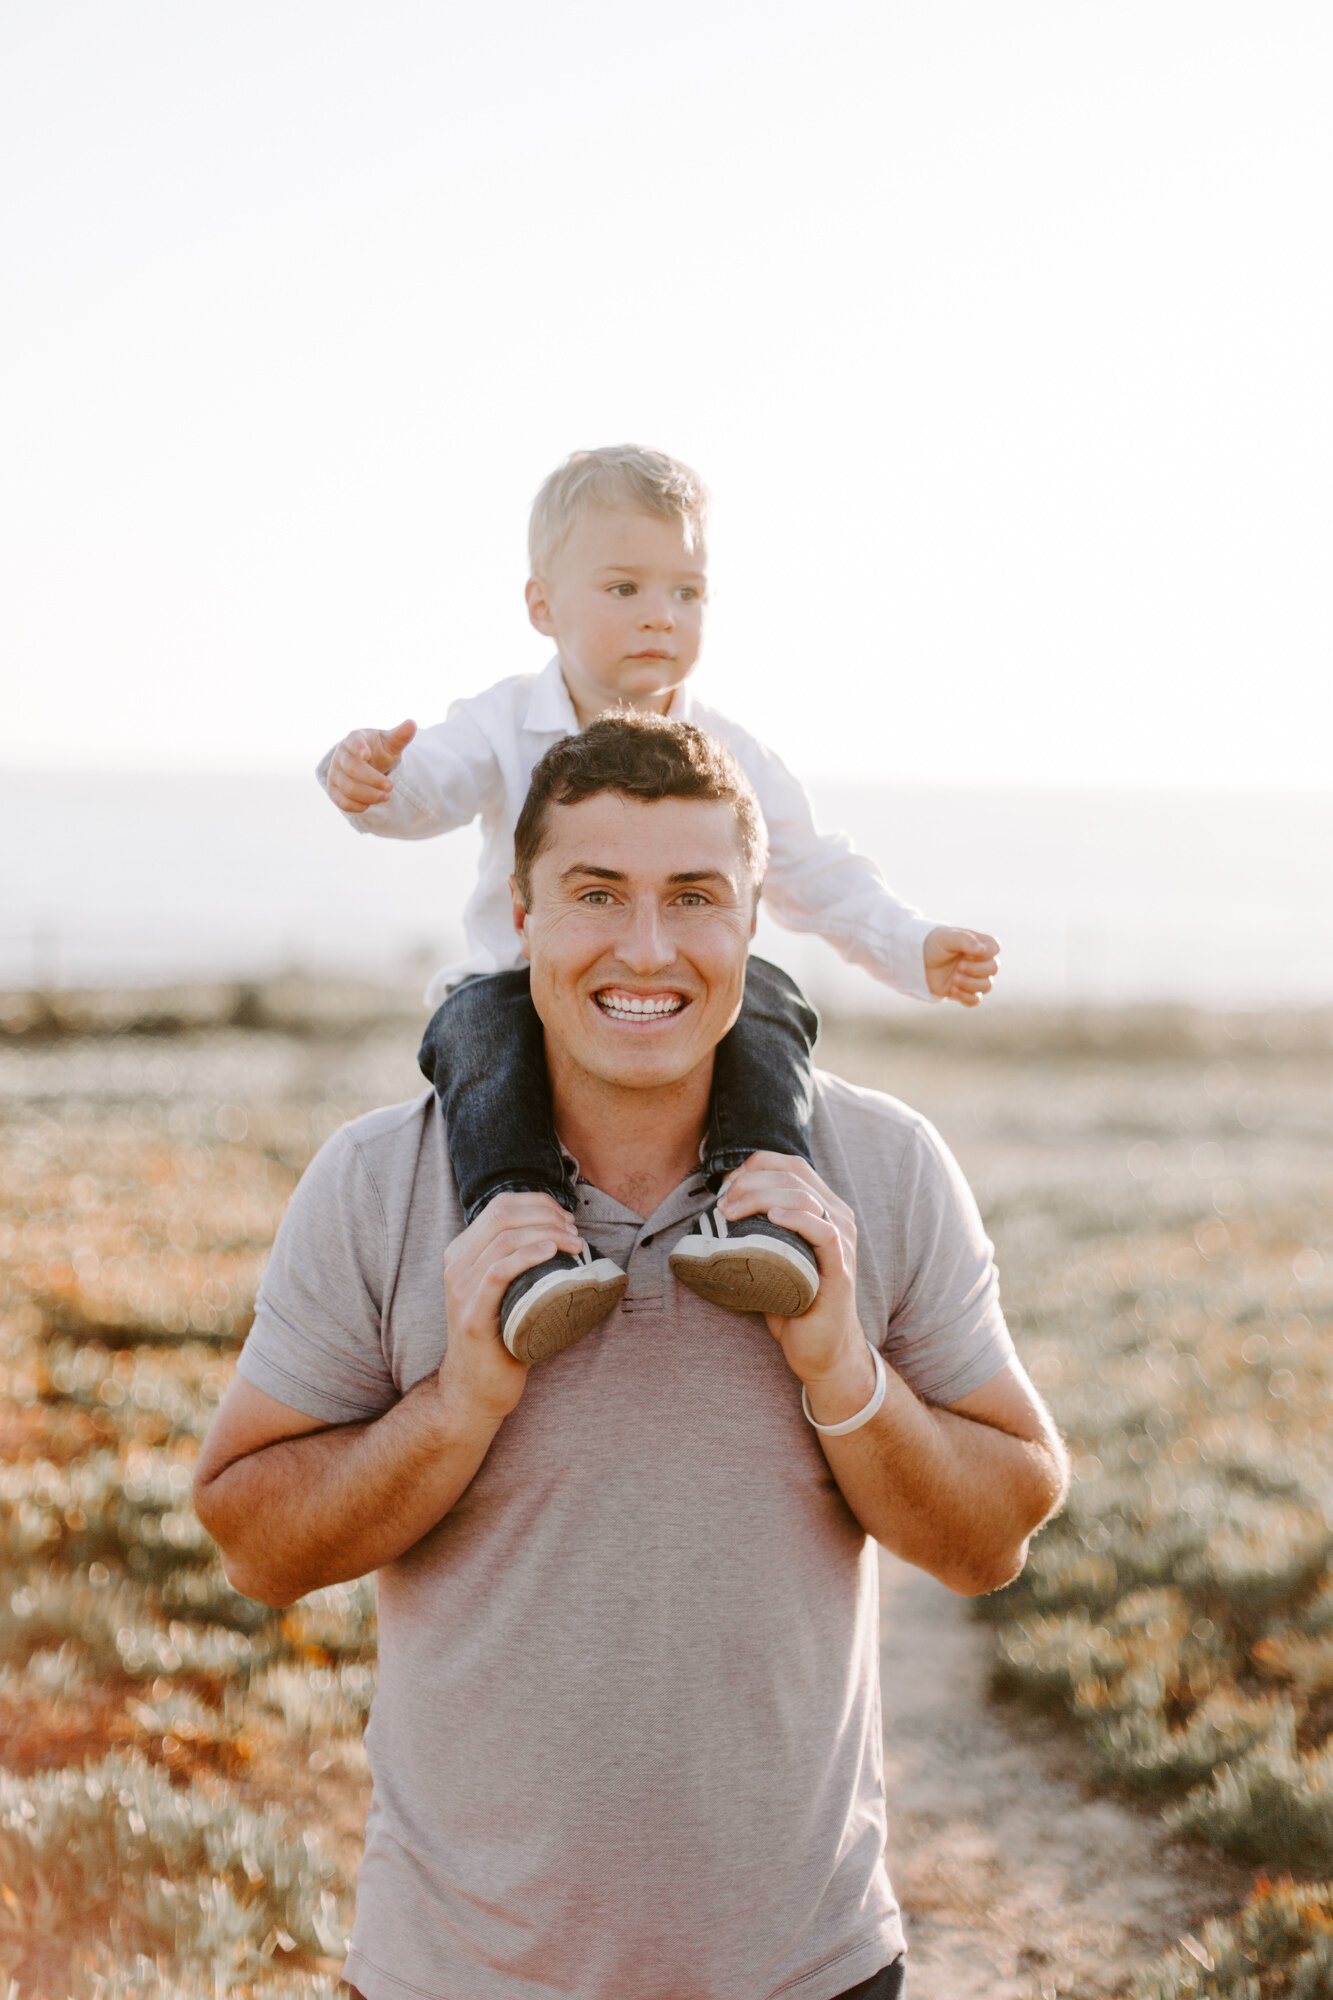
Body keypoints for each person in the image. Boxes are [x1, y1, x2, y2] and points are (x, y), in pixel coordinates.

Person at [194, 713, 1067, 2000]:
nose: (646, 948)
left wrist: (846, 1376)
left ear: (753, 922)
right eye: (595, 893)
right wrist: (460, 1402)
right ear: (520, 915)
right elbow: (253, 1542)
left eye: (694, 898)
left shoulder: (882, 1169)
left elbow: (994, 1535)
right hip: (459, 1973)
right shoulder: (378, 1181)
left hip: (804, 1967)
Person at [316, 445, 1001, 1364]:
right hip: (517, 988)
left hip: (690, 990)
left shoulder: (731, 752)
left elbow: (810, 870)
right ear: (542, 606)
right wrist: (371, 784)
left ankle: (760, 1211)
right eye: (625, 588)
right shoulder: (499, 720)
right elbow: (428, 785)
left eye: (687, 592)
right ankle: (526, 1248)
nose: (660, 617)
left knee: (771, 1003)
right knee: (476, 1037)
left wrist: (913, 945)